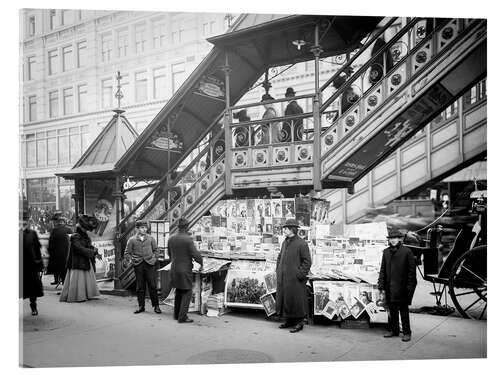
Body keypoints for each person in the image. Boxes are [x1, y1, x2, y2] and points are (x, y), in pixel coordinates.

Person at [377, 228, 417, 342]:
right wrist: (381, 284)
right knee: (392, 310)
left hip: (402, 287)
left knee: (404, 311)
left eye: (395, 238)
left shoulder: (407, 252)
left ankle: (407, 332)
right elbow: (383, 270)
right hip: (389, 286)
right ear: (389, 240)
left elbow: (411, 273)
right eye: (391, 239)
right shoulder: (386, 252)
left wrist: (409, 288)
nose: (393, 240)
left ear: (399, 239)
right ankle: (393, 330)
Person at [275, 218, 312, 333]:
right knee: (287, 299)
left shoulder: (302, 244)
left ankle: (300, 322)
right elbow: (280, 256)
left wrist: (299, 274)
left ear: (292, 229)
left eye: (286, 228)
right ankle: (289, 320)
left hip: (295, 279)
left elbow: (307, 261)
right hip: (284, 277)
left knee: (297, 301)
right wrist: (278, 269)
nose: (284, 230)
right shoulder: (285, 242)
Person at [167, 217, 203, 323]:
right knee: (187, 292)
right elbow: (195, 254)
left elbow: (169, 254)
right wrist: (201, 263)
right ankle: (182, 317)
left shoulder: (171, 238)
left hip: (174, 268)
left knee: (178, 291)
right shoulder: (188, 239)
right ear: (186, 227)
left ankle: (176, 314)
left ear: (178, 227)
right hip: (185, 270)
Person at [60, 215, 101, 303]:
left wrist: (93, 249)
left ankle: (85, 295)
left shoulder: (83, 235)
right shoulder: (75, 236)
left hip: (83, 261)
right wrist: (91, 252)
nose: (86, 230)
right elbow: (79, 248)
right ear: (81, 227)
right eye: (85, 229)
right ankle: (79, 296)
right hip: (77, 262)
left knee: (84, 279)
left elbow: (85, 245)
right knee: (79, 279)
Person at [124, 220, 161, 314]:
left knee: (152, 286)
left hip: (150, 264)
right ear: (137, 228)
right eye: (142, 228)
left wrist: (153, 260)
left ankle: (156, 306)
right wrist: (132, 260)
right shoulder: (132, 240)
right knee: (140, 287)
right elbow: (127, 253)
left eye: (145, 227)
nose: (144, 229)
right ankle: (141, 306)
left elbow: (156, 251)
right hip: (138, 265)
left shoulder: (151, 239)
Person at [20, 212, 44, 316]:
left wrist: (40, 264)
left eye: (25, 220)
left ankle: (33, 306)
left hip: (31, 265)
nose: (23, 222)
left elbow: (37, 249)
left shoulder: (32, 233)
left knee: (32, 289)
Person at [47, 213, 73, 287]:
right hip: (67, 253)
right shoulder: (69, 230)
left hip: (56, 253)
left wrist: (50, 251)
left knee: (58, 268)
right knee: (65, 268)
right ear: (64, 222)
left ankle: (61, 282)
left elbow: (51, 242)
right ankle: (65, 283)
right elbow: (72, 240)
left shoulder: (54, 230)